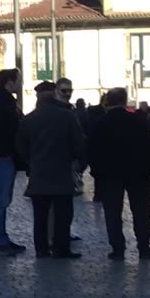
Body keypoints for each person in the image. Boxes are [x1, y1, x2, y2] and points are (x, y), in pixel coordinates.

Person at [18, 80, 86, 259]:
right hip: (62, 172)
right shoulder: (67, 116)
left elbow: (21, 148)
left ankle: (41, 250)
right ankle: (61, 248)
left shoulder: (29, 119)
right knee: (63, 215)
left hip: (38, 173)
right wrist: (76, 162)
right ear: (55, 94)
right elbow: (79, 144)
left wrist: (29, 163)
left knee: (40, 217)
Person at [89, 88, 150, 260]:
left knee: (112, 212)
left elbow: (92, 150)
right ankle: (144, 247)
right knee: (141, 211)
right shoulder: (138, 120)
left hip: (109, 175)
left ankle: (117, 248)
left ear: (108, 102)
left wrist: (97, 171)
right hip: (138, 173)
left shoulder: (100, 123)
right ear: (125, 100)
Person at [0, 69, 28, 256]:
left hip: (2, 154)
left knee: (2, 199)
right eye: (19, 80)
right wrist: (5, 151)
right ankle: (0, 241)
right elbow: (3, 130)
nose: (21, 84)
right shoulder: (0, 102)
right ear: (10, 82)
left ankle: (2, 238)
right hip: (2, 155)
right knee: (0, 199)